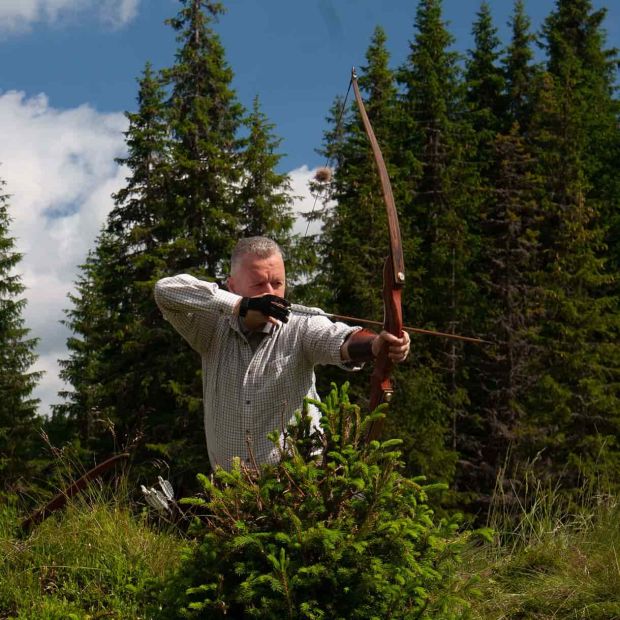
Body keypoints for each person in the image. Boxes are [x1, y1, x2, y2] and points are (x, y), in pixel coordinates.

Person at [154, 236, 410, 470]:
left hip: (298, 488)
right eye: (258, 284)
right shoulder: (211, 328)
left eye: (277, 283)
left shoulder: (301, 322)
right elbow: (164, 290)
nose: (270, 293)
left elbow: (338, 340)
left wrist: (376, 345)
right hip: (228, 491)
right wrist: (243, 306)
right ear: (231, 287)